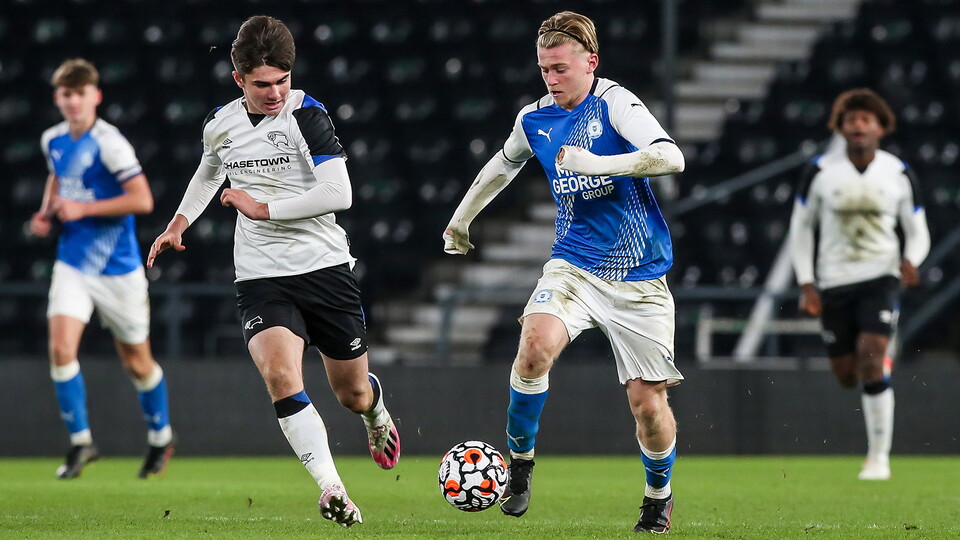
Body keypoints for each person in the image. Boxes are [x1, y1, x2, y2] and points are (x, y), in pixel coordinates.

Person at [146, 16, 399, 528]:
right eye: (262, 83)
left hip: (324, 267)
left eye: (282, 80)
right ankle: (333, 490)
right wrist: (179, 220)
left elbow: (340, 193)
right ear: (238, 79)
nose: (275, 92)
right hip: (261, 274)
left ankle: (374, 410)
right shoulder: (221, 122)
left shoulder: (308, 115)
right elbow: (211, 167)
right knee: (281, 375)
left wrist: (262, 208)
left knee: (350, 395)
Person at [442, 11, 685, 533]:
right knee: (533, 349)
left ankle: (657, 495)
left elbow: (670, 158)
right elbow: (502, 166)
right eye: (543, 70)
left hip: (638, 276)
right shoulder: (535, 117)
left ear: (590, 62)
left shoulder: (617, 103)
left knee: (647, 404)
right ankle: (520, 466)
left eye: (560, 69)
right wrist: (461, 220)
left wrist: (600, 164)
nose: (551, 80)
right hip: (572, 264)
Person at [29, 58, 174, 479]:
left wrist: (83, 208)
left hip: (119, 269)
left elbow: (142, 200)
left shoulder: (110, 143)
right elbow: (57, 177)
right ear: (58, 98)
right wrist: (45, 213)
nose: (73, 101)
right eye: (66, 94)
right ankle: (81, 443)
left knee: (137, 363)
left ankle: (161, 437)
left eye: (80, 93)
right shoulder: (52, 139)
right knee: (60, 349)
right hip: (73, 263)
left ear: (96, 96)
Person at [788, 88, 930, 481]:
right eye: (851, 120)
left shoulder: (898, 173)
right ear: (841, 127)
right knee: (847, 374)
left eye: (867, 119)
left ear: (881, 127)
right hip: (834, 280)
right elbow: (800, 229)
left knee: (870, 360)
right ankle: (875, 363)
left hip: (880, 276)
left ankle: (878, 459)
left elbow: (917, 229)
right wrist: (807, 283)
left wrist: (911, 260)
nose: (858, 126)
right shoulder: (820, 171)